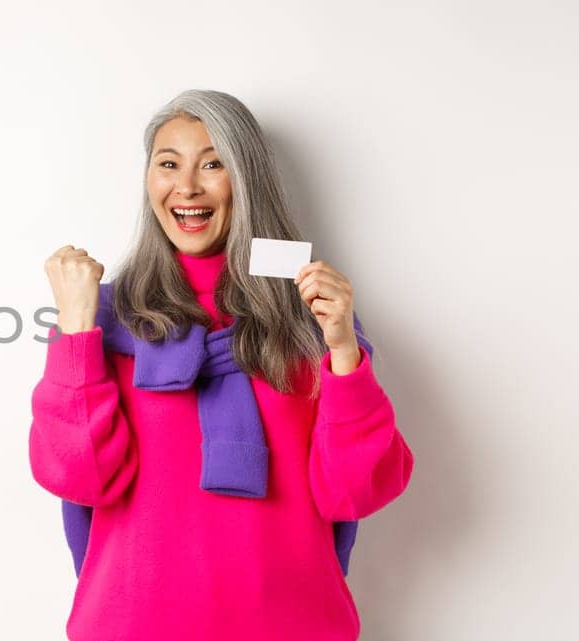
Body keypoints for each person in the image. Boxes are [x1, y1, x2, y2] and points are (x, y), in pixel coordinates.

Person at [28, 89, 414, 641]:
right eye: (168, 164)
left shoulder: (308, 319)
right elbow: (79, 476)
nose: (186, 187)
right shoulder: (105, 317)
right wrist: (75, 331)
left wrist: (344, 350)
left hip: (293, 625)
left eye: (213, 163)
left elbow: (358, 490)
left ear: (246, 179)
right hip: (134, 626)